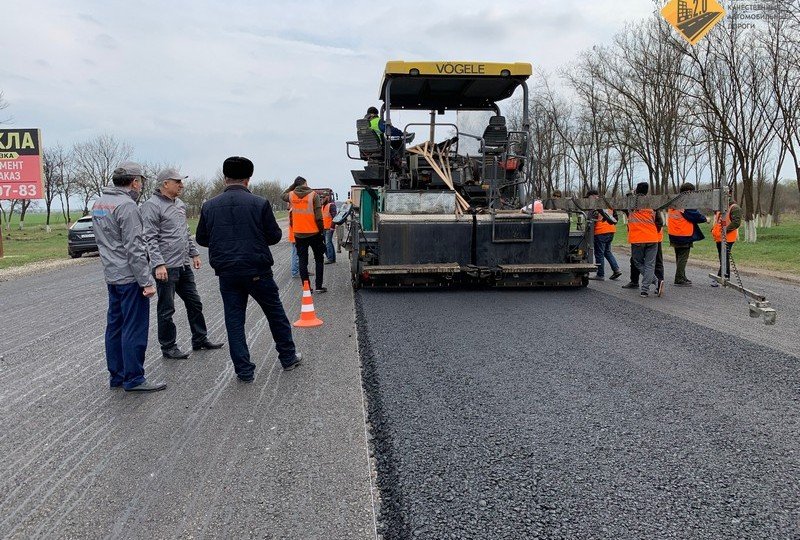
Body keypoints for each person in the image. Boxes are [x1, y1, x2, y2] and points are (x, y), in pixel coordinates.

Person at [195, 156, 302, 380]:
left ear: (225, 178)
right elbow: (274, 236)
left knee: (234, 321)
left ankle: (244, 371)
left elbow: (202, 239)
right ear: (248, 179)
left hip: (227, 272)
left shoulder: (209, 206)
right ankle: (288, 357)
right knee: (275, 314)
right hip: (257, 270)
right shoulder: (259, 203)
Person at [91, 162, 165, 392]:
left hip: (112, 275)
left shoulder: (99, 204)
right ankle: (134, 378)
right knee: (134, 327)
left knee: (115, 326)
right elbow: (134, 247)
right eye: (140, 181)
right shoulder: (128, 206)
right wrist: (146, 281)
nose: (141, 186)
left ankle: (117, 375)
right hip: (130, 277)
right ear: (134, 182)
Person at [141, 168, 223, 359]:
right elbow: (149, 238)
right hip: (166, 267)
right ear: (165, 184)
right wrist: (158, 264)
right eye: (177, 182)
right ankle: (168, 347)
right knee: (167, 308)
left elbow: (185, 232)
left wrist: (193, 253)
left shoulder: (179, 204)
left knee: (195, 303)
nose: (182, 185)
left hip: (183, 264)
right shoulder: (151, 206)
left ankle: (199, 339)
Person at [282, 177, 326, 292]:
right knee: (319, 259)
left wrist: (293, 186)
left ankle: (306, 287)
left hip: (299, 234)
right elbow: (319, 216)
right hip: (314, 233)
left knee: (302, 260)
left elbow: (283, 195)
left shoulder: (291, 195)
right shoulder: (313, 195)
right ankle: (319, 286)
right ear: (305, 183)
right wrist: (322, 231)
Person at [627, 182, 664, 298]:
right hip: (652, 238)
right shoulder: (652, 204)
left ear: (636, 190)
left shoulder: (631, 204)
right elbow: (660, 222)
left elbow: (626, 197)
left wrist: (631, 193)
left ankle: (655, 282)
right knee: (650, 264)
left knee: (637, 262)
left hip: (637, 239)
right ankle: (645, 289)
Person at [667, 182, 708, 286]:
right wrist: (705, 219)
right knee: (683, 258)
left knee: (679, 257)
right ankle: (679, 279)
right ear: (689, 192)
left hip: (674, 234)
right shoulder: (685, 203)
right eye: (692, 192)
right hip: (683, 234)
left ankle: (682, 276)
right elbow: (694, 215)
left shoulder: (674, 201)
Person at [586, 189, 622, 281]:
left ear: (592, 196)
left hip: (600, 232)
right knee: (607, 251)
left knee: (599, 253)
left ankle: (600, 274)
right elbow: (615, 217)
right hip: (611, 230)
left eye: (588, 197)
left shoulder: (594, 205)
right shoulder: (607, 203)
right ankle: (616, 270)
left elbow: (590, 219)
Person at [710, 190, 742, 287]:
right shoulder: (721, 207)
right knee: (722, 258)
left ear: (729, 195)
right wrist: (713, 230)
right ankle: (722, 277)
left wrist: (724, 231)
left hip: (727, 238)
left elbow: (736, 222)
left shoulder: (734, 207)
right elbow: (719, 221)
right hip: (719, 237)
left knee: (724, 258)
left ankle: (723, 277)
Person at [323, 195, 337, 264]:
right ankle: (332, 258)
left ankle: (330, 258)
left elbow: (335, 217)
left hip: (329, 228)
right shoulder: (323, 206)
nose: (322, 199)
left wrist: (332, 227)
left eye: (324, 197)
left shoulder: (331, 205)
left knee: (328, 243)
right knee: (327, 243)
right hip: (324, 228)